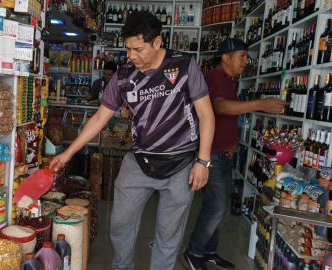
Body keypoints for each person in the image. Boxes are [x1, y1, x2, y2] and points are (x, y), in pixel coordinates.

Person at [50, 11, 216, 270]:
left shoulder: (184, 65)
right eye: (127, 49)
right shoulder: (124, 75)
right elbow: (98, 120)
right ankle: (121, 267)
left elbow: (206, 113)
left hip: (182, 163)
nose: (131, 56)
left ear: (157, 43)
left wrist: (203, 162)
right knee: (119, 222)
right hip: (139, 160)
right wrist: (67, 154)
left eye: (138, 49)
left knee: (169, 232)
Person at [183, 38, 288, 270]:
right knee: (216, 207)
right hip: (212, 156)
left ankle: (209, 251)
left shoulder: (229, 80)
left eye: (246, 56)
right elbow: (219, 107)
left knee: (219, 207)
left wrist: (234, 140)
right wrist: (259, 104)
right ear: (226, 57)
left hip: (224, 153)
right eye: (242, 56)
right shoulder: (216, 77)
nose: (245, 61)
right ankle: (194, 252)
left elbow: (226, 116)